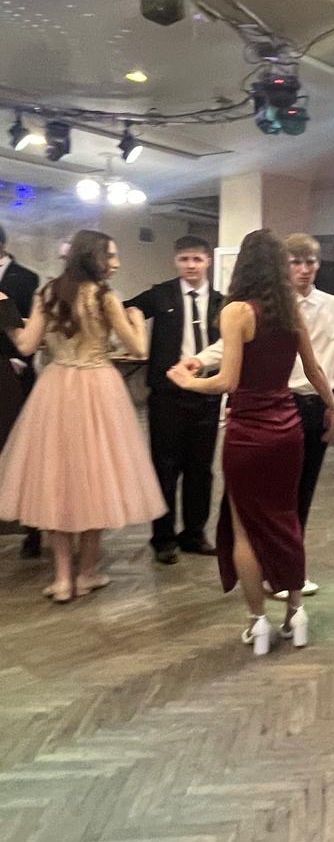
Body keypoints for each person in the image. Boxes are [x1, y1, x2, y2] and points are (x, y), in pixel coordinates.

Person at [167, 230, 334, 656]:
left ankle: (257, 623)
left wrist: (188, 382)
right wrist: (333, 406)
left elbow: (227, 381)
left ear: (242, 265)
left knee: (244, 528)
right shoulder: (290, 312)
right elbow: (314, 371)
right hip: (287, 430)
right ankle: (296, 613)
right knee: (287, 521)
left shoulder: (236, 311)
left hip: (247, 432)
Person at [189, 233, 334, 599]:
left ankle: (284, 576)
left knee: (299, 496)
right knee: (259, 502)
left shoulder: (330, 305)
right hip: (278, 405)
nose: (304, 269)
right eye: (295, 262)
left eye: (310, 262)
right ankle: (273, 577)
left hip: (311, 406)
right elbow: (230, 348)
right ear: (283, 265)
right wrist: (198, 361)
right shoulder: (268, 308)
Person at [0, 231, 165, 602]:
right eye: (111, 256)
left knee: (55, 482)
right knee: (97, 482)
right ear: (93, 257)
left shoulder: (47, 294)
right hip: (98, 389)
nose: (116, 263)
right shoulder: (105, 297)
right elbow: (138, 349)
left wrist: (6, 313)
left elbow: (25, 344)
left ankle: (62, 579)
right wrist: (137, 319)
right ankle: (87, 573)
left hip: (55, 389)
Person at [124, 236, 223, 565]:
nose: (191, 265)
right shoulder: (161, 294)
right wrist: (135, 334)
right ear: (176, 261)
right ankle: (163, 538)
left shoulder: (222, 302)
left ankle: (194, 533)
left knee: (201, 468)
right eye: (184, 259)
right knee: (164, 467)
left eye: (197, 259)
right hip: (167, 394)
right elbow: (125, 309)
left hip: (206, 392)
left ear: (208, 261)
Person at [0, 224, 42, 558]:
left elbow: (30, 326)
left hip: (11, 371)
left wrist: (18, 359)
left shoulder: (26, 278)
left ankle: (32, 526)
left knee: (20, 449)